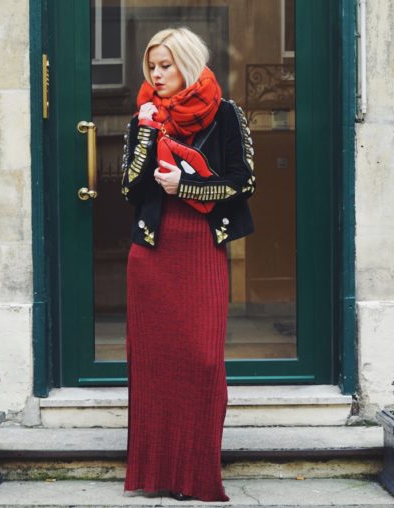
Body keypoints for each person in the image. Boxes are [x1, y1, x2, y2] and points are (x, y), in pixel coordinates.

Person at [120, 27, 255, 503]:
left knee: (201, 361)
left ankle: (197, 473)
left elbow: (243, 182)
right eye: (151, 67)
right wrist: (147, 133)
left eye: (165, 66)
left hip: (200, 248)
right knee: (154, 364)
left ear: (188, 64)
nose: (156, 75)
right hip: (152, 254)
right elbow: (131, 189)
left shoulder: (225, 113)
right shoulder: (145, 116)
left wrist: (189, 186)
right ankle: (157, 474)